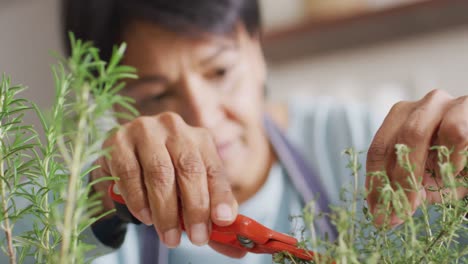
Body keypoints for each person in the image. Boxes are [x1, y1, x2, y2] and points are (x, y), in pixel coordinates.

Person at [63, 1, 468, 263]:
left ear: (258, 47)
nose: (202, 115)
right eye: (155, 95)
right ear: (107, 99)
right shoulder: (82, 209)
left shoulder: (364, 144)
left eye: (220, 72)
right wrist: (96, 199)